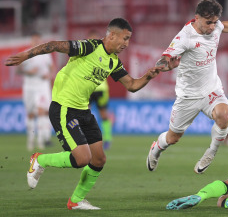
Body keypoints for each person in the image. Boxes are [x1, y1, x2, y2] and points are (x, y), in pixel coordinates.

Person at [5, 18, 173, 210]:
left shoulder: (113, 62)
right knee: (82, 159)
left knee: (99, 159)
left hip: (84, 111)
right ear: (112, 35)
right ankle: (39, 159)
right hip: (64, 108)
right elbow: (54, 45)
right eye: (124, 38)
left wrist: (149, 76)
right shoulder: (90, 47)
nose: (126, 44)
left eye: (129, 40)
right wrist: (25, 55)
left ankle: (76, 200)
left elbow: (132, 85)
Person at [146, 0, 228, 174]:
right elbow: (165, 59)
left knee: (224, 114)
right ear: (197, 18)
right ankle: (157, 147)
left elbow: (223, 26)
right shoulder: (185, 37)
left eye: (214, 22)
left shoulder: (215, 26)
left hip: (211, 89)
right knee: (173, 138)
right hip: (188, 95)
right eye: (208, 22)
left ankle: (211, 152)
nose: (212, 27)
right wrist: (165, 66)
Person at [17, 32, 54, 151]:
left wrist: (49, 75)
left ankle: (41, 139)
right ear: (31, 42)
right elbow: (18, 70)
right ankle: (31, 139)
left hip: (42, 85)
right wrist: (28, 72)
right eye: (34, 40)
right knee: (31, 113)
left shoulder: (46, 55)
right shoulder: (26, 54)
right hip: (29, 86)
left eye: (38, 40)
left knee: (42, 110)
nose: (36, 42)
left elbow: (52, 68)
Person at [87, 29, 114, 150]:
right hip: (88, 88)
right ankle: (86, 139)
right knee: (85, 114)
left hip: (100, 88)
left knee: (103, 114)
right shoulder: (85, 54)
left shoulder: (105, 53)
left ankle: (107, 139)